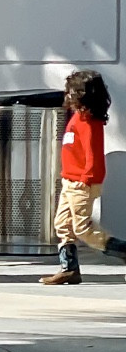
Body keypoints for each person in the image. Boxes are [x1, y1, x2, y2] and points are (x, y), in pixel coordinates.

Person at [42, 70, 119, 285]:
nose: (67, 95)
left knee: (83, 229)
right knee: (62, 224)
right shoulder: (77, 117)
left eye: (72, 91)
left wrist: (86, 179)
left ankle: (121, 250)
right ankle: (69, 269)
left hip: (81, 182)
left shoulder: (90, 122)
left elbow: (93, 154)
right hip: (70, 180)